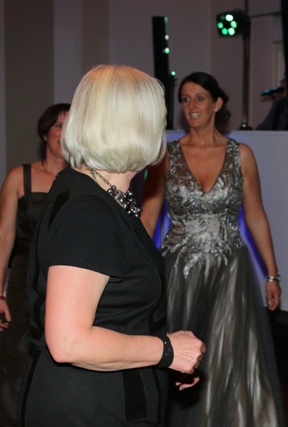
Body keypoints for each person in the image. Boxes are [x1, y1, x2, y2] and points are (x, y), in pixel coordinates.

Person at [21, 65, 205, 426]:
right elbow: (68, 341)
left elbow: (114, 311)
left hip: (105, 394)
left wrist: (161, 356)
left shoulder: (93, 192)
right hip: (88, 406)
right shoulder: (90, 210)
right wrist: (166, 351)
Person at [141, 71, 284, 427]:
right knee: (178, 356)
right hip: (178, 271)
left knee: (227, 357)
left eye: (200, 98)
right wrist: (136, 270)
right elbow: (149, 216)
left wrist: (272, 274)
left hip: (229, 271)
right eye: (185, 99)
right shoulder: (164, 155)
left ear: (217, 103)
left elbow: (256, 216)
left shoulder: (241, 154)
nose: (191, 105)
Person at [0, 103, 69, 426]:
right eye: (58, 126)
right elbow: (4, 237)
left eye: (71, 127)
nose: (64, 134)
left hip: (67, 282)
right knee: (15, 358)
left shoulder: (83, 180)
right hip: (23, 280)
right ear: (45, 133)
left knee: (59, 362)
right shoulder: (20, 176)